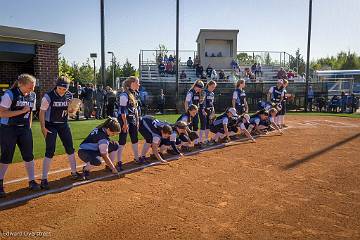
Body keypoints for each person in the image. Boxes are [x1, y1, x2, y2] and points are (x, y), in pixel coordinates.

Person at [38, 76, 82, 189]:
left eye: (64, 88)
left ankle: (74, 172)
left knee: (70, 147)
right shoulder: (48, 96)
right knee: (50, 150)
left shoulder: (69, 95)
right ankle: (44, 178)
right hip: (50, 125)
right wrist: (43, 127)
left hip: (63, 124)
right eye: (60, 88)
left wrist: (72, 111)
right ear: (56, 86)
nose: (62, 90)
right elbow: (42, 112)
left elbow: (69, 111)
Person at [0, 74, 39, 197]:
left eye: (33, 87)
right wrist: (21, 111)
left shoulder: (32, 95)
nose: (32, 89)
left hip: (24, 129)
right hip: (8, 129)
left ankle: (32, 181)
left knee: (29, 155)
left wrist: (29, 127)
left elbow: (31, 113)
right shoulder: (9, 94)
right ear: (21, 84)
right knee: (7, 156)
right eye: (30, 87)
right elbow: (2, 114)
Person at [117, 76, 141, 166]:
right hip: (124, 119)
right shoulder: (124, 95)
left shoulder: (135, 93)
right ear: (132, 83)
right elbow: (122, 111)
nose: (139, 84)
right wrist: (125, 123)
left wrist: (137, 121)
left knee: (135, 138)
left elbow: (135, 109)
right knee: (122, 139)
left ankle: (136, 157)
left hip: (133, 119)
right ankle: (119, 161)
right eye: (137, 82)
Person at [184, 80, 204, 148]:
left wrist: (201, 101)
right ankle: (185, 145)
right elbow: (186, 102)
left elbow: (197, 103)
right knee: (188, 128)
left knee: (195, 126)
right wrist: (187, 113)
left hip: (195, 113)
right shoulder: (191, 92)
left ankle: (196, 142)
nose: (201, 89)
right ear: (196, 86)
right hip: (190, 113)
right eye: (200, 88)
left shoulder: (197, 93)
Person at [199, 80, 217, 145]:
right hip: (203, 110)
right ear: (208, 85)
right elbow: (201, 102)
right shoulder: (204, 92)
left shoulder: (212, 94)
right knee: (203, 124)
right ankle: (200, 141)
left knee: (208, 125)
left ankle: (206, 139)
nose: (213, 88)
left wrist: (213, 111)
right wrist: (203, 110)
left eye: (214, 87)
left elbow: (212, 103)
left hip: (210, 110)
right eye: (212, 87)